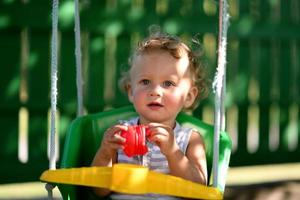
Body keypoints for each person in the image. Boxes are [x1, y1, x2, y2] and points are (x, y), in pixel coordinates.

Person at [91, 29, 209, 199]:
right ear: (131, 91)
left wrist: (173, 152)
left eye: (168, 83)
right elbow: (99, 191)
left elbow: (198, 191)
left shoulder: (189, 139)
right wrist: (105, 152)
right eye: (145, 81)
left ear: (189, 96)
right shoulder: (120, 134)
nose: (155, 91)